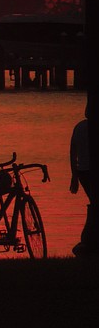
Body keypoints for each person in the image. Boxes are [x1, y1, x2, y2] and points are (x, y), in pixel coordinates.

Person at [70, 106, 97, 256]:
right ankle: (88, 240)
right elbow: (73, 151)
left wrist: (74, 175)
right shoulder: (83, 128)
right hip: (90, 171)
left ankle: (88, 239)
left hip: (82, 172)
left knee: (94, 203)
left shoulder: (79, 127)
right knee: (94, 204)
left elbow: (72, 152)